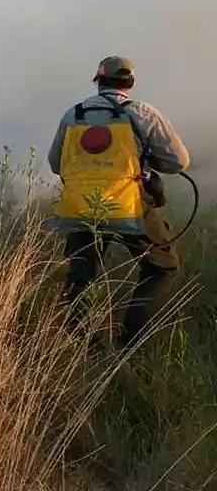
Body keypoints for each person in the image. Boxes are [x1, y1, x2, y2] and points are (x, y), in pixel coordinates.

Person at [48, 55, 191, 349]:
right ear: (130, 83)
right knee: (162, 267)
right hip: (131, 205)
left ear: (98, 81)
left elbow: (55, 163)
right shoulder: (143, 113)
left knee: (81, 276)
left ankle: (88, 349)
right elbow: (179, 162)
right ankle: (130, 345)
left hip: (81, 206)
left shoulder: (73, 114)